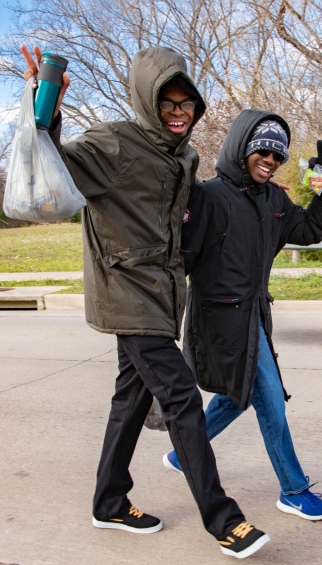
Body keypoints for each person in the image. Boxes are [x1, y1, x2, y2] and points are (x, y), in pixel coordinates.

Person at [20, 45, 268, 559]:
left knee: (130, 399)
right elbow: (52, 162)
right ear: (146, 101)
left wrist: (257, 194)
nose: (179, 112)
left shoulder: (186, 155)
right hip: (125, 288)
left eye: (186, 103)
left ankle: (109, 501)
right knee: (181, 398)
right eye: (167, 103)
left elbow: (191, 208)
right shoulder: (113, 143)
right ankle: (224, 519)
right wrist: (43, 106)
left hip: (162, 291)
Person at [162, 109, 322, 521]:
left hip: (255, 317)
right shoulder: (208, 196)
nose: (270, 160)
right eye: (263, 151)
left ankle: (184, 451)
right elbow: (181, 261)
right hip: (219, 321)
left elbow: (309, 231)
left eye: (278, 156)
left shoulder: (274, 199)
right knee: (270, 400)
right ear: (242, 147)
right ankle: (293, 490)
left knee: (238, 395)